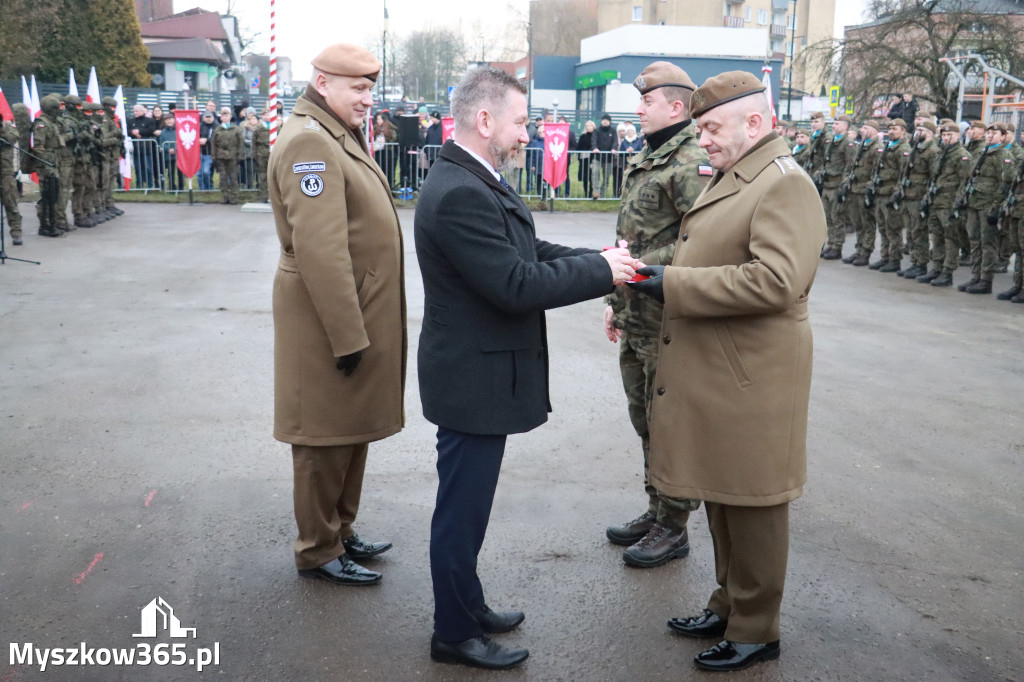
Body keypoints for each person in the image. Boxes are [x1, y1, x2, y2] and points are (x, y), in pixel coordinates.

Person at [414, 66, 638, 671]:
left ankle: (468, 604)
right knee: (461, 512)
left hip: (478, 373)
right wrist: (603, 274)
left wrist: (599, 258)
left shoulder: (472, 177)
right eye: (519, 123)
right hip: (471, 378)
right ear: (484, 121)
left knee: (470, 508)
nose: (527, 136)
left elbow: (527, 251)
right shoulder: (461, 190)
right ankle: (454, 633)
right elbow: (515, 284)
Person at [628, 71, 825, 672]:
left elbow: (777, 279)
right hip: (725, 369)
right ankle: (728, 602)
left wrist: (673, 283)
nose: (703, 139)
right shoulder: (744, 174)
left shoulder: (785, 184)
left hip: (753, 375)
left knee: (755, 504)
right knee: (722, 493)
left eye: (711, 127)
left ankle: (756, 625)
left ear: (756, 123)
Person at [269, 43, 405, 587]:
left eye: (371, 88)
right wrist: (347, 337)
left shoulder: (331, 132)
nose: (368, 99)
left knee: (351, 429)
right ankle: (318, 549)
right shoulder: (310, 142)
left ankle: (340, 531)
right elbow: (321, 250)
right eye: (358, 88)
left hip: (353, 310)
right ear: (323, 83)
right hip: (330, 319)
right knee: (323, 438)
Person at [603, 61, 711, 569]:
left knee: (668, 424)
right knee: (644, 419)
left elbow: (705, 243)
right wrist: (615, 303)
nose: (638, 110)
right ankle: (656, 509)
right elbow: (632, 236)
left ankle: (674, 525)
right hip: (637, 312)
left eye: (645, 102)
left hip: (668, 316)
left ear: (675, 106)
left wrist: (643, 270)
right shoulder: (652, 155)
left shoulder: (690, 161)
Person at [919, 122, 973, 287]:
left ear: (958, 136)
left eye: (950, 135)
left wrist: (957, 203)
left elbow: (965, 182)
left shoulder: (962, 155)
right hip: (937, 201)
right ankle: (936, 267)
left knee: (950, 239)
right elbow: (934, 178)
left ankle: (947, 272)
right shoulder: (941, 153)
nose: (946, 138)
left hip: (949, 203)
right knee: (937, 237)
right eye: (943, 135)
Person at [868, 119, 911, 271]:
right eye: (890, 129)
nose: (891, 131)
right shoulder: (888, 146)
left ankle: (894, 259)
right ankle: (885, 256)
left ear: (903, 131)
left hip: (891, 194)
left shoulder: (903, 149)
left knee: (893, 229)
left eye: (895, 129)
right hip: (880, 192)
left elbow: (904, 173)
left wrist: (897, 193)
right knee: (883, 227)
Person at [839, 120, 881, 266]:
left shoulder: (877, 147)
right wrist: (846, 182)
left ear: (874, 130)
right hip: (855, 189)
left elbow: (877, 171)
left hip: (865, 190)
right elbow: (852, 166)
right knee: (857, 222)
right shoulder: (862, 145)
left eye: (865, 128)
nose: (862, 130)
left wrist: (871, 188)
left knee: (867, 223)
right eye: (862, 128)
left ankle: (866, 252)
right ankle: (859, 249)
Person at [210, 106, 243, 204]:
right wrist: (214, 156)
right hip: (221, 157)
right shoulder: (218, 129)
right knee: (223, 178)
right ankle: (225, 196)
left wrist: (240, 156)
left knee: (233, 177)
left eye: (227, 115)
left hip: (233, 156)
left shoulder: (236, 129)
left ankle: (233, 197)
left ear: (230, 117)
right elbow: (213, 144)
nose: (225, 117)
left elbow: (240, 143)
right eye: (223, 115)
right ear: (221, 118)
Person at [0, 117, 23, 244]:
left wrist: (2, 129)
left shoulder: (9, 128)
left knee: (10, 203)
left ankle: (16, 231)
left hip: (6, 173)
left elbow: (13, 139)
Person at [591, 113, 617, 198]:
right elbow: (593, 140)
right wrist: (595, 148)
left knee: (606, 177)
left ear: (609, 122)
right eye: (604, 120)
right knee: (595, 174)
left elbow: (615, 141)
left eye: (607, 120)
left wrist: (614, 148)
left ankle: (602, 194)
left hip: (608, 158)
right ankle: (596, 192)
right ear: (601, 121)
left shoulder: (613, 131)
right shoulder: (596, 130)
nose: (605, 122)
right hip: (597, 158)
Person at [576, 119, 596, 197]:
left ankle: (591, 192)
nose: (589, 127)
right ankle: (586, 193)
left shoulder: (595, 136)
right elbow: (578, 147)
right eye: (587, 126)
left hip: (593, 159)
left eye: (590, 125)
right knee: (585, 176)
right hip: (584, 159)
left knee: (592, 176)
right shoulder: (583, 136)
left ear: (593, 126)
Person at [198, 111, 216, 190]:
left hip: (209, 153)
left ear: (213, 117)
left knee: (206, 172)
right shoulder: (199, 126)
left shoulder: (216, 126)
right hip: (199, 153)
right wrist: (199, 140)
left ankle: (209, 188)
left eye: (210, 117)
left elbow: (216, 138)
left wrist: (206, 140)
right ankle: (202, 189)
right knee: (199, 173)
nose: (208, 119)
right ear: (203, 118)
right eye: (206, 117)